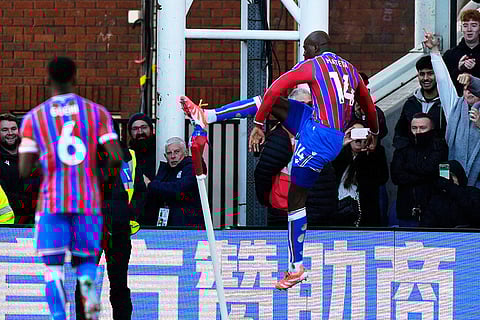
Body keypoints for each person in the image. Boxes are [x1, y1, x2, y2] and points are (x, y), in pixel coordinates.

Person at [249, 30, 379, 290]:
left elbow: (276, 86)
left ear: (314, 47)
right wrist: (373, 132)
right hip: (319, 130)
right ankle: (211, 115)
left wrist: (257, 123)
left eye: (305, 49)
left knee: (295, 201)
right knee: (273, 103)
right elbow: (369, 106)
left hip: (319, 138)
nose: (303, 54)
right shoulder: (351, 70)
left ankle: (296, 267)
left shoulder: (314, 64)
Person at [18, 56, 123, 320]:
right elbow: (116, 156)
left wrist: (46, 168)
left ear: (47, 79)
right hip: (88, 203)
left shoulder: (34, 118)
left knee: (52, 269)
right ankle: (90, 314)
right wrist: (97, 178)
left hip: (51, 204)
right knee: (86, 266)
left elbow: (23, 170)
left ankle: (58, 317)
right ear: (75, 77)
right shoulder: (96, 112)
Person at [75, 123, 146, 320]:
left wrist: (129, 214)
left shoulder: (128, 156)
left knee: (119, 285)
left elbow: (140, 191)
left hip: (120, 230)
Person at [254, 88, 337, 226]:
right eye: (301, 104)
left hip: (317, 214)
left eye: (309, 105)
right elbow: (263, 174)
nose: (305, 109)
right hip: (286, 214)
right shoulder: (280, 137)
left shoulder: (320, 134)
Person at [424, 31, 480, 188]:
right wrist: (434, 51)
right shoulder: (455, 107)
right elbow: (443, 82)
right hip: (455, 184)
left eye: (473, 88)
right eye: (466, 88)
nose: (469, 91)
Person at [390, 113, 449, 226]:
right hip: (407, 210)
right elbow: (396, 176)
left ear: (431, 128)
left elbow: (433, 169)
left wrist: (408, 167)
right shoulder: (402, 148)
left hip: (434, 210)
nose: (418, 132)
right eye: (414, 128)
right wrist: (425, 174)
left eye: (422, 128)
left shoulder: (439, 146)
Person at [332, 121, 389, 227]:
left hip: (365, 210)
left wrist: (369, 152)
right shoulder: (339, 153)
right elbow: (330, 171)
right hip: (339, 209)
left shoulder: (375, 154)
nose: (358, 138)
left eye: (361, 133)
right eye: (354, 133)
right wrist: (340, 145)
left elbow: (381, 178)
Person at [141, 136, 204, 227]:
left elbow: (179, 189)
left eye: (177, 152)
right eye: (169, 153)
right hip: (167, 223)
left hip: (188, 224)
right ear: (165, 156)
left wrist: (150, 184)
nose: (173, 156)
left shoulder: (191, 167)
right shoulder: (165, 171)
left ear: (185, 152)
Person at [393, 56, 446, 148]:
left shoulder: (446, 103)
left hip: (439, 157)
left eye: (430, 73)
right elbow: (400, 134)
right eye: (422, 74)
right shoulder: (410, 103)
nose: (425, 78)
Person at [0, 113, 41, 224]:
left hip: (37, 218)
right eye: (4, 130)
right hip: (11, 222)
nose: (10, 133)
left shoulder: (31, 154)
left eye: (13, 129)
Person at [421, 160, 480, 228]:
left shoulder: (473, 193)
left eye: (451, 176)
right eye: (446, 177)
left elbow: (476, 214)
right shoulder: (436, 200)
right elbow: (426, 227)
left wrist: (452, 188)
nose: (448, 180)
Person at [443, 9, 480, 96]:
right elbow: (444, 84)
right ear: (461, 29)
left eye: (474, 25)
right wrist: (459, 69)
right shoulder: (450, 55)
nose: (469, 29)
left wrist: (476, 67)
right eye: (465, 25)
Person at [127, 112, 156, 180]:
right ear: (130, 132)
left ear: (151, 129)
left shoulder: (160, 151)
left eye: (144, 127)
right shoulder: (127, 155)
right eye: (135, 129)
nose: (140, 132)